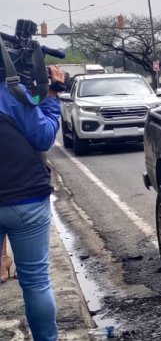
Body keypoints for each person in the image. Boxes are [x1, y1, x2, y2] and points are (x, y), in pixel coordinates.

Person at [0, 64, 65, 341]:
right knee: (36, 282)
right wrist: (51, 95)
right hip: (27, 198)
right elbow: (43, 137)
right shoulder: (14, 94)